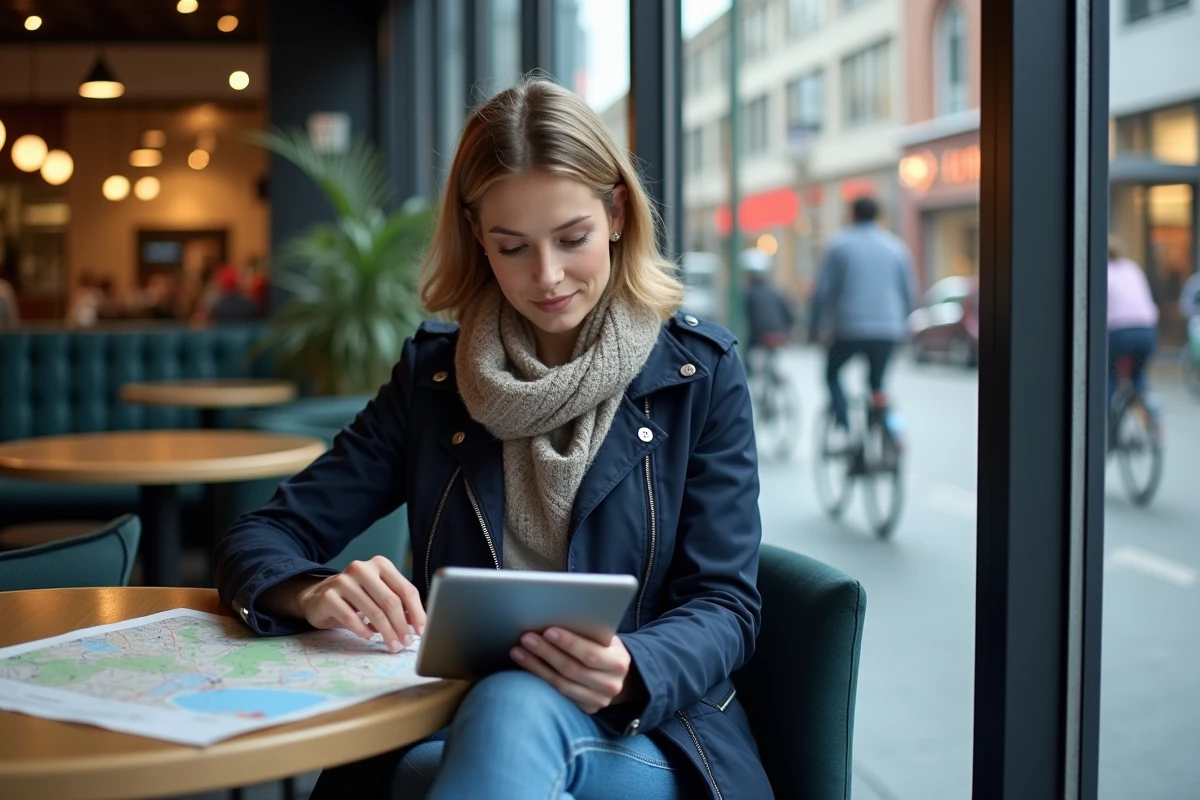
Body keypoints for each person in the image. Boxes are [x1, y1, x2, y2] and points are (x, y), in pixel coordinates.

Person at [214, 76, 770, 800]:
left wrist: (636, 665)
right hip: (448, 714)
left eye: (571, 239)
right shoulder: (435, 378)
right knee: (473, 727)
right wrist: (311, 590)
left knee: (504, 709)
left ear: (617, 214)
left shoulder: (700, 376)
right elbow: (261, 536)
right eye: (512, 248)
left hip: (643, 726)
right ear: (478, 237)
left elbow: (727, 604)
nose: (547, 277)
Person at [808, 195, 915, 430]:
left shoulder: (839, 245)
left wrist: (814, 327)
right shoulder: (896, 247)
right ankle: (882, 428)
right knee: (877, 383)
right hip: (889, 329)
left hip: (850, 328)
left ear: (852, 214)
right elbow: (908, 294)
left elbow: (823, 292)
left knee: (832, 373)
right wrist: (903, 326)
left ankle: (844, 423)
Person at [1106, 235, 1159, 410]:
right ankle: (1150, 417)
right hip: (1147, 330)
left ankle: (1107, 418)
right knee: (1138, 375)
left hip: (1119, 332)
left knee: (1109, 375)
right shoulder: (1132, 268)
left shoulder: (1103, 270)